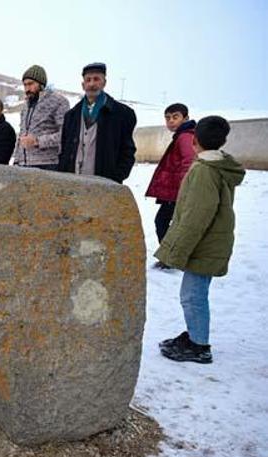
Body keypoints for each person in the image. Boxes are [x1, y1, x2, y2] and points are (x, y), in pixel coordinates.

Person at [156, 116, 245, 364]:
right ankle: (195, 335)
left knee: (192, 296)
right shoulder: (216, 165)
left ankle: (199, 346)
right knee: (195, 293)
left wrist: (174, 252)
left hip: (205, 243)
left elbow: (196, 217)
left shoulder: (204, 171)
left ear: (194, 140)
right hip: (211, 240)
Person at [58, 63, 137, 183]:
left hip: (104, 185)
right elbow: (64, 149)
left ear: (104, 82)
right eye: (88, 80)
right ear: (83, 85)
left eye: (96, 79)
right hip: (73, 182)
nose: (92, 84)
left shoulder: (122, 114)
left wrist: (116, 177)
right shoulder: (71, 116)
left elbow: (127, 151)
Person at [145, 103, 196, 268]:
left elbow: (188, 162)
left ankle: (170, 258)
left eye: (175, 117)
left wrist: (184, 189)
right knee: (168, 223)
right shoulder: (182, 135)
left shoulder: (185, 137)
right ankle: (171, 257)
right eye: (167, 118)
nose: (171, 121)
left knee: (162, 222)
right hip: (174, 191)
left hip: (177, 192)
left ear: (186, 118)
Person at [13, 65, 69, 170]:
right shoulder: (26, 105)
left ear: (41, 84)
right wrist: (16, 160)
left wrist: (37, 141)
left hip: (48, 165)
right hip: (23, 165)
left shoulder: (58, 101)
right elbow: (22, 134)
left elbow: (66, 134)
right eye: (25, 85)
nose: (27, 89)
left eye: (30, 84)